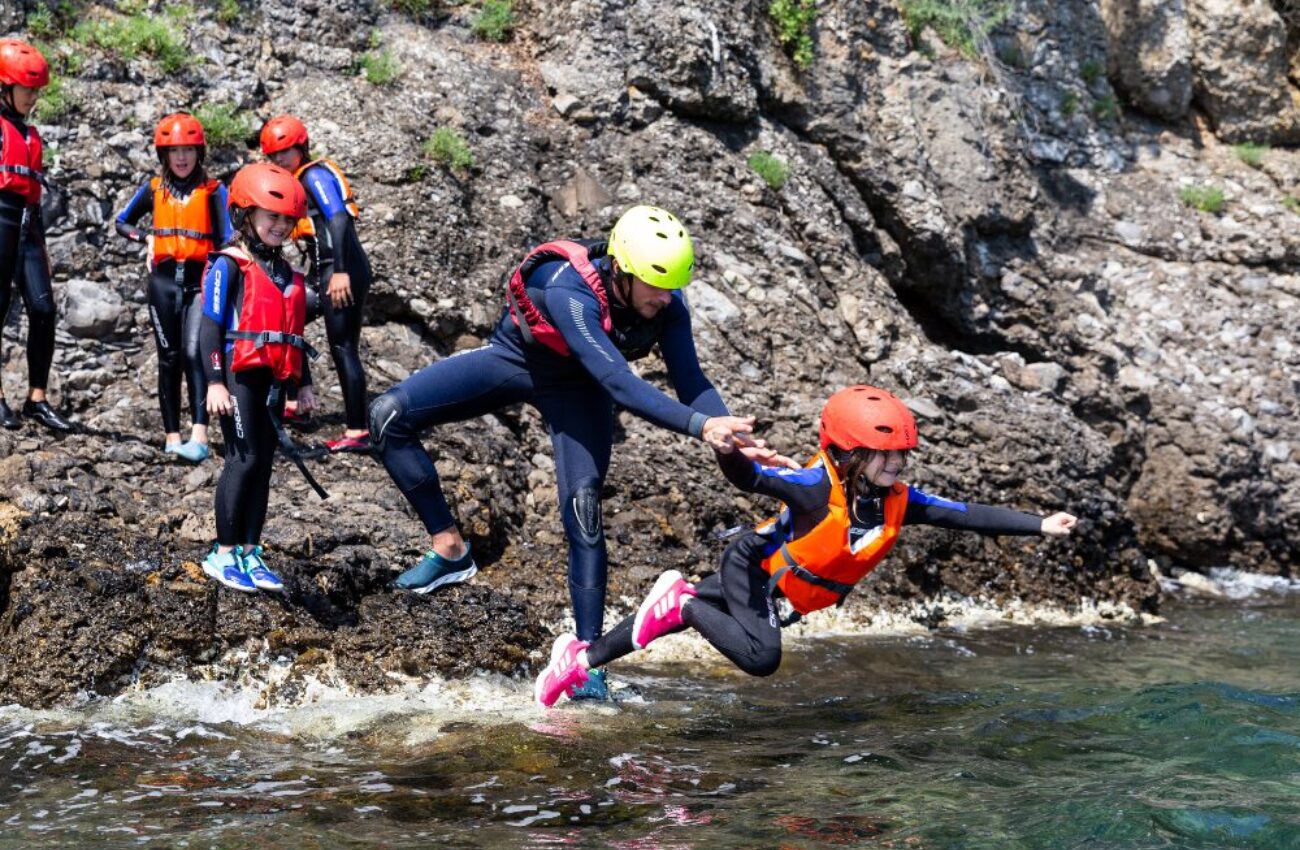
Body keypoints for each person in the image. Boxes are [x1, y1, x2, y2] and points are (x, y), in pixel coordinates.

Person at [370, 205, 764, 700]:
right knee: (387, 416)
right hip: (517, 362)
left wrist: (728, 432)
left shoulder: (667, 304)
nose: (665, 298)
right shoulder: (567, 288)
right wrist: (700, 427)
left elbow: (692, 381)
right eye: (655, 286)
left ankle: (588, 660)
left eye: (672, 287)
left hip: (579, 393)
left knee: (583, 509)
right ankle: (449, 549)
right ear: (620, 270)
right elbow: (618, 382)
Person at [534, 385, 1080, 707]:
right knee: (760, 657)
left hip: (775, 575)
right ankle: (680, 600)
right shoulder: (816, 487)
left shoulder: (899, 501)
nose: (893, 465)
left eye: (898, 456)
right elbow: (752, 481)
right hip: (753, 566)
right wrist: (727, 447)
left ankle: (578, 664)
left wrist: (1039, 525)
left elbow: (966, 515)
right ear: (846, 453)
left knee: (667, 623)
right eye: (879, 455)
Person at [196, 163, 317, 593]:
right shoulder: (231, 264)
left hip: (271, 378)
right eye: (272, 217)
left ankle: (249, 549)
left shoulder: (284, 272)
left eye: (288, 219)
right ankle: (222, 553)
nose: (281, 226)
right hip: (235, 375)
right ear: (245, 214)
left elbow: (294, 333)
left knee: (263, 465)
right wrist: (213, 382)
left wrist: (303, 384)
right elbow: (209, 328)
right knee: (242, 459)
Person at [115, 113, 232, 461]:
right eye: (174, 151)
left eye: (188, 150)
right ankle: (171, 436)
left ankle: (199, 435)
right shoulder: (153, 189)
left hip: (200, 282)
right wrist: (145, 237)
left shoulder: (213, 191)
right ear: (163, 154)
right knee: (169, 358)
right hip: (163, 283)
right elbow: (122, 223)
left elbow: (227, 238)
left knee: (195, 351)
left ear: (199, 152)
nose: (181, 158)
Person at [259, 115, 372, 453]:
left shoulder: (314, 174)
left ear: (301, 147)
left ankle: (358, 431)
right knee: (285, 319)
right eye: (274, 155)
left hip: (342, 270)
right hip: (321, 272)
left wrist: (340, 272)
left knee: (343, 347)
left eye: (286, 151)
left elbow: (337, 217)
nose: (280, 160)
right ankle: (297, 400)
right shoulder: (296, 180)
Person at [0, 39, 70, 432]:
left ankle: (36, 399)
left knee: (43, 308)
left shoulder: (29, 134)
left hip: (28, 223)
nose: (32, 97)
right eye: (26, 89)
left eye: (36, 90)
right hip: (0, 218)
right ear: (4, 88)